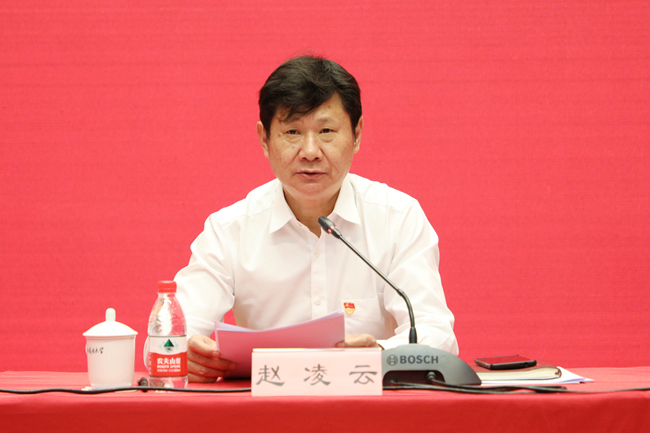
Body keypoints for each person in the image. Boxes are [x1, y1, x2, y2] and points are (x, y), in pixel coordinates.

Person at [174, 55, 458, 383]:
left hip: (369, 404)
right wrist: (186, 354)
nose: (310, 151)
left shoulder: (398, 218)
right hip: (266, 406)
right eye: (292, 131)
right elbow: (170, 334)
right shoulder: (229, 230)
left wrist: (378, 353)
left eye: (326, 131)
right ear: (264, 139)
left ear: (357, 134)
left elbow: (437, 336)